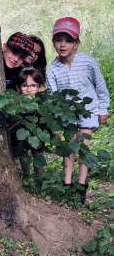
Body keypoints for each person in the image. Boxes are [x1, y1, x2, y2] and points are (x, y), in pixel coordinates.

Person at [46, 17, 110, 204]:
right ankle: (67, 183)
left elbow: (100, 87)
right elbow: (52, 98)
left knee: (83, 146)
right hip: (67, 114)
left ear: (77, 43)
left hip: (88, 110)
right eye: (58, 40)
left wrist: (102, 108)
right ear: (53, 43)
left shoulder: (88, 62)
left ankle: (81, 185)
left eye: (68, 40)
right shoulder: (53, 69)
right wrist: (57, 125)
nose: (63, 44)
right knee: (69, 147)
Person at [14, 67, 45, 177]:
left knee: (37, 152)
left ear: (40, 87)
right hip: (21, 135)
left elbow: (44, 122)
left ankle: (39, 179)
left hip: (37, 135)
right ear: (18, 88)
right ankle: (26, 176)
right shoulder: (17, 106)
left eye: (33, 85)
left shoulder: (41, 106)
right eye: (25, 85)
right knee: (23, 153)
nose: (29, 89)